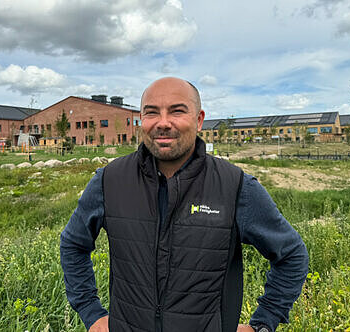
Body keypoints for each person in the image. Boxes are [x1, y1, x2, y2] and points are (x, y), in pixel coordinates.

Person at [60, 77, 309, 332]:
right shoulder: (110, 181)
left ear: (199, 119)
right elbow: (73, 244)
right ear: (141, 120)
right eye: (152, 113)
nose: (163, 123)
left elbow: (292, 255)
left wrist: (263, 324)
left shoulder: (235, 186)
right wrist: (92, 313)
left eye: (177, 111)